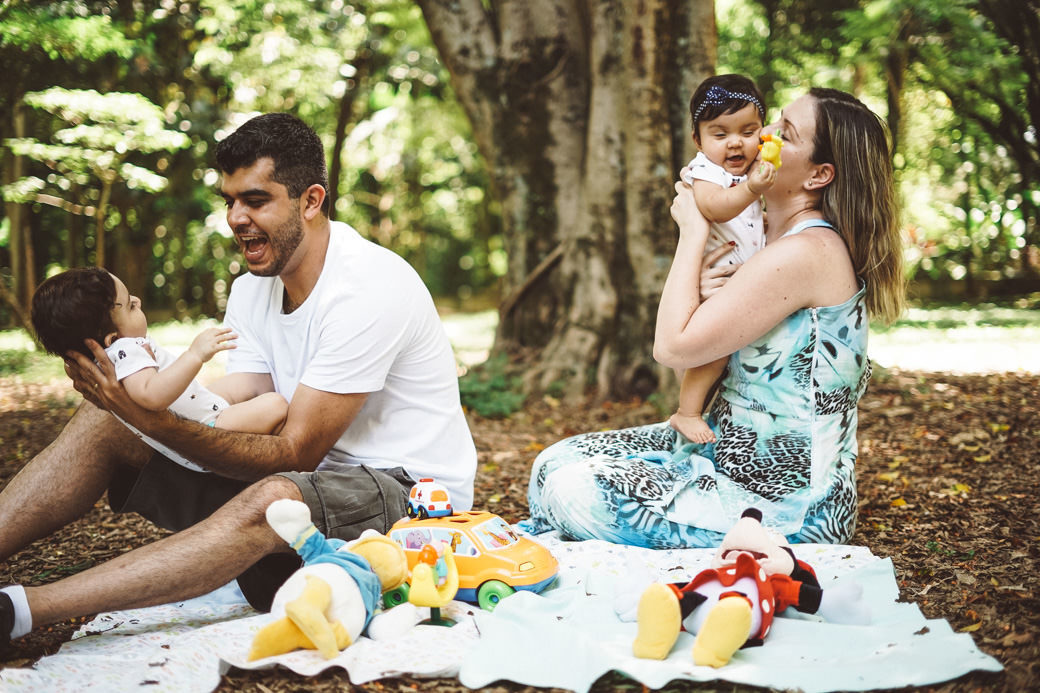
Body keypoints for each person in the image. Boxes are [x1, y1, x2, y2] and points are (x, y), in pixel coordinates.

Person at [0, 113, 477, 646]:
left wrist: (147, 418)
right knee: (106, 420)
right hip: (306, 510)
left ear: (311, 201)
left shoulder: (368, 288)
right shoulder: (256, 285)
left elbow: (297, 454)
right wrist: (134, 401)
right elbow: (235, 398)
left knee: (279, 495)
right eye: (229, 201)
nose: (235, 217)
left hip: (409, 505)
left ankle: (17, 612)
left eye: (255, 200)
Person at [520, 88, 904, 549]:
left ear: (819, 175)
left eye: (785, 134)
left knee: (574, 490)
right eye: (774, 123)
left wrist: (694, 232)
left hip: (787, 504)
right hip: (719, 448)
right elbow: (693, 361)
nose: (763, 136)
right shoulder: (760, 238)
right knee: (554, 461)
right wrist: (701, 298)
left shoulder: (807, 251)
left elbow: (670, 349)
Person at [30, 268, 289, 470]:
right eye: (130, 305)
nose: (138, 301)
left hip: (197, 414)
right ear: (111, 338)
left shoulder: (108, 360)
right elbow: (152, 396)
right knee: (275, 404)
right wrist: (195, 354)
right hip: (208, 427)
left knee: (243, 383)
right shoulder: (125, 350)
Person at [672, 74, 777, 444]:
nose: (735, 143)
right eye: (720, 134)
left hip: (744, 279)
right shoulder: (706, 172)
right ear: (698, 141)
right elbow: (714, 208)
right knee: (714, 355)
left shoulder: (752, 171)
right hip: (720, 281)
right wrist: (751, 190)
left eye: (748, 131)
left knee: (734, 358)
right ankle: (686, 412)